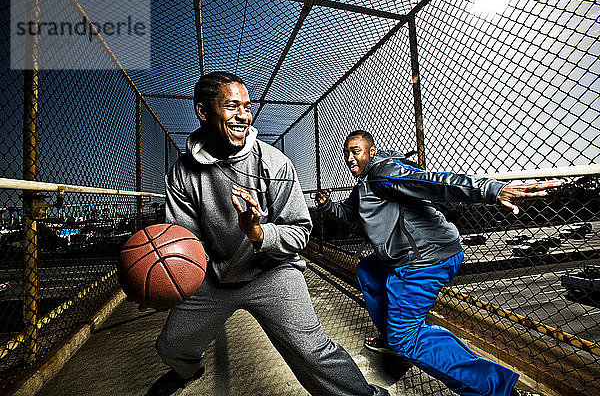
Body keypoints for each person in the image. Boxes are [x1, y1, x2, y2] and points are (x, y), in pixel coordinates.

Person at [150, 73, 389, 396]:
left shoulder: (274, 163)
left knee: (312, 352)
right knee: (171, 346)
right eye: (232, 106)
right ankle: (188, 371)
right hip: (213, 277)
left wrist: (259, 233)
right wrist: (168, 280)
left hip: (271, 271)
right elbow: (185, 240)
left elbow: (300, 231)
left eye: (247, 106)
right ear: (203, 112)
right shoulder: (182, 174)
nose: (244, 115)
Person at [314, 130, 562, 396]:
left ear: (371, 152)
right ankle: (392, 333)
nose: (350, 157)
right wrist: (327, 205)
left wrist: (492, 190)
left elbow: (433, 182)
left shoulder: (383, 172)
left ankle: (500, 390)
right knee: (369, 269)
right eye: (347, 152)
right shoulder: (364, 185)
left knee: (405, 340)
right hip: (423, 251)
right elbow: (349, 213)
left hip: (426, 259)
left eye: (356, 150)